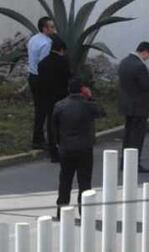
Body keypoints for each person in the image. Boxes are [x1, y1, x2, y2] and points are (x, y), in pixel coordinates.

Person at [52, 79, 105, 213]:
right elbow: (102, 112)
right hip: (84, 148)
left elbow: (54, 127)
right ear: (82, 90)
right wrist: (90, 97)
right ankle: (84, 212)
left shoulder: (60, 105)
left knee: (65, 180)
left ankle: (61, 209)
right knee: (85, 181)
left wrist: (58, 143)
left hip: (66, 148)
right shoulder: (88, 105)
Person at [118, 42, 149, 172]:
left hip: (127, 104)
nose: (148, 57)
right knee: (137, 137)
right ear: (145, 52)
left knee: (128, 135)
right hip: (139, 105)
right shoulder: (139, 66)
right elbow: (146, 84)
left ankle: (124, 162)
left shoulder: (124, 62)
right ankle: (134, 163)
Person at [37, 35, 71, 162]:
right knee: (62, 125)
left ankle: (53, 152)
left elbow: (40, 82)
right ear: (61, 49)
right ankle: (62, 149)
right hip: (61, 97)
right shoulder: (64, 62)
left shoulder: (42, 63)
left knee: (51, 124)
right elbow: (68, 78)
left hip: (47, 98)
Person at [27, 16, 56, 149]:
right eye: (51, 27)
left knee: (38, 108)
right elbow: (44, 64)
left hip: (32, 76)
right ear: (44, 28)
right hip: (41, 79)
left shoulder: (33, 39)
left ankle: (37, 138)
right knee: (43, 110)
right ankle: (38, 140)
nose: (54, 29)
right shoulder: (47, 43)